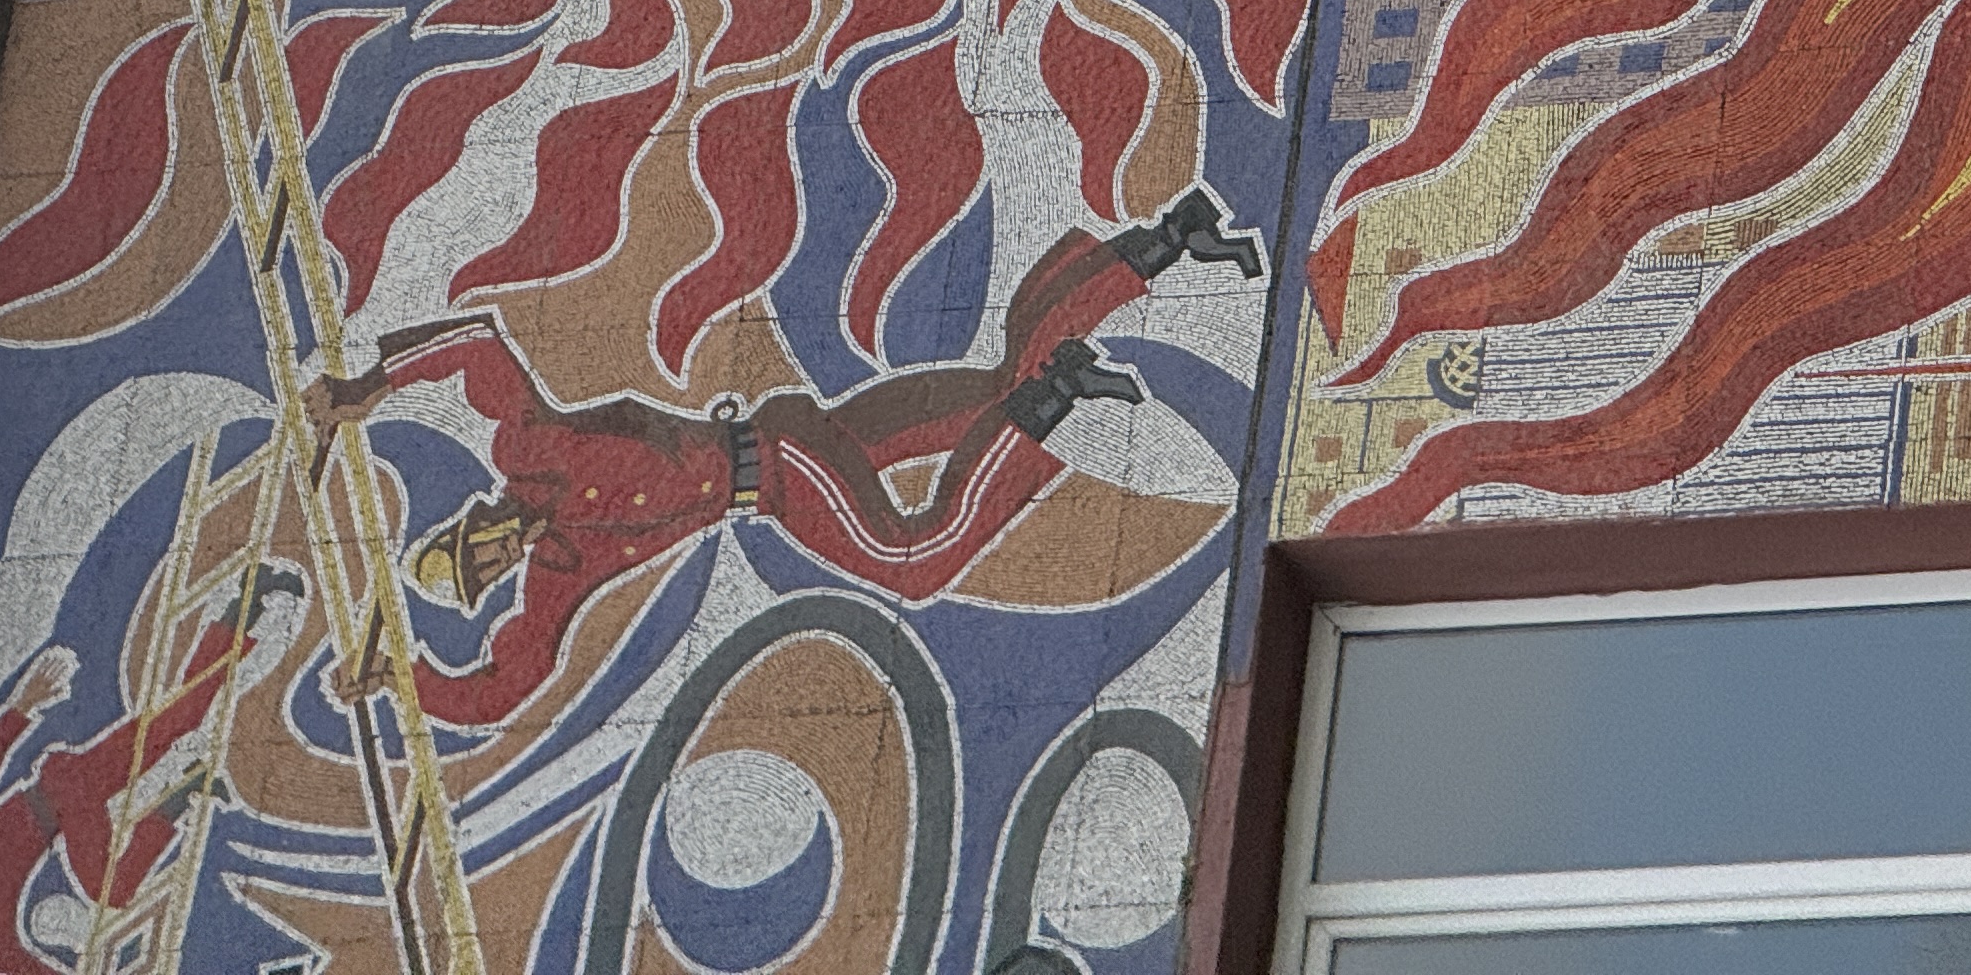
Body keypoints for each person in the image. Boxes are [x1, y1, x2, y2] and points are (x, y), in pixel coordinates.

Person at [312, 193, 1264, 726]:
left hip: (775, 466)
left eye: (477, 552)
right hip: (793, 451)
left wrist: (368, 388)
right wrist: (404, 678)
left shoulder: (529, 451)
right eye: (487, 577)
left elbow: (477, 347)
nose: (498, 561)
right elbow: (508, 681)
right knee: (989, 390)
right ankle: (1164, 243)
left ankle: (1053, 399)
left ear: (472, 521)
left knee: (909, 560)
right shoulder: (566, 566)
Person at [0, 570, 307, 975]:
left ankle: (185, 792)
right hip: (68, 785)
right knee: (179, 718)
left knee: (113, 888)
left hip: (70, 801)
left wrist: (20, 709)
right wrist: (19, 710)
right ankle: (243, 605)